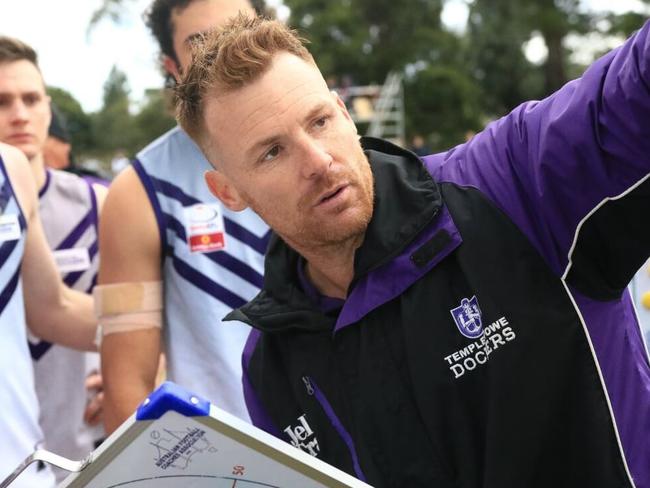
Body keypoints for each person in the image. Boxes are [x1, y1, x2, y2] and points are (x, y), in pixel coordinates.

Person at [175, 14, 650, 488]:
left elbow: (632, 88)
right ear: (228, 191)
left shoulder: (509, 185)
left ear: (344, 113)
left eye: (319, 121)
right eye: (273, 152)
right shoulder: (270, 365)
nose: (319, 162)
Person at [98, 0, 270, 435]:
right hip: (230, 459)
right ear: (171, 66)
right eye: (201, 43)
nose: (226, 51)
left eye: (241, 30)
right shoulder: (138, 190)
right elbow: (126, 384)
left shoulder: (325, 148)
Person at [0, 36, 106, 484]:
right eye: (3, 101)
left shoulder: (12, 172)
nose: (20, 114)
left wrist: (157, 354)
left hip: (41, 458)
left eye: (31, 98)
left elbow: (55, 309)